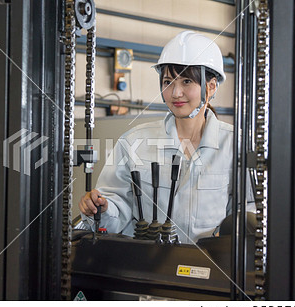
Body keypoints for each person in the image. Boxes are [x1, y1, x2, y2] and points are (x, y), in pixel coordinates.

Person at [78, 30, 255, 244]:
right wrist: (101, 208)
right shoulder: (133, 142)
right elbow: (115, 211)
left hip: (211, 270)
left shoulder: (237, 145)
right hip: (149, 268)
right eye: (168, 81)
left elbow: (249, 215)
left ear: (210, 87)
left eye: (187, 81)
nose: (175, 93)